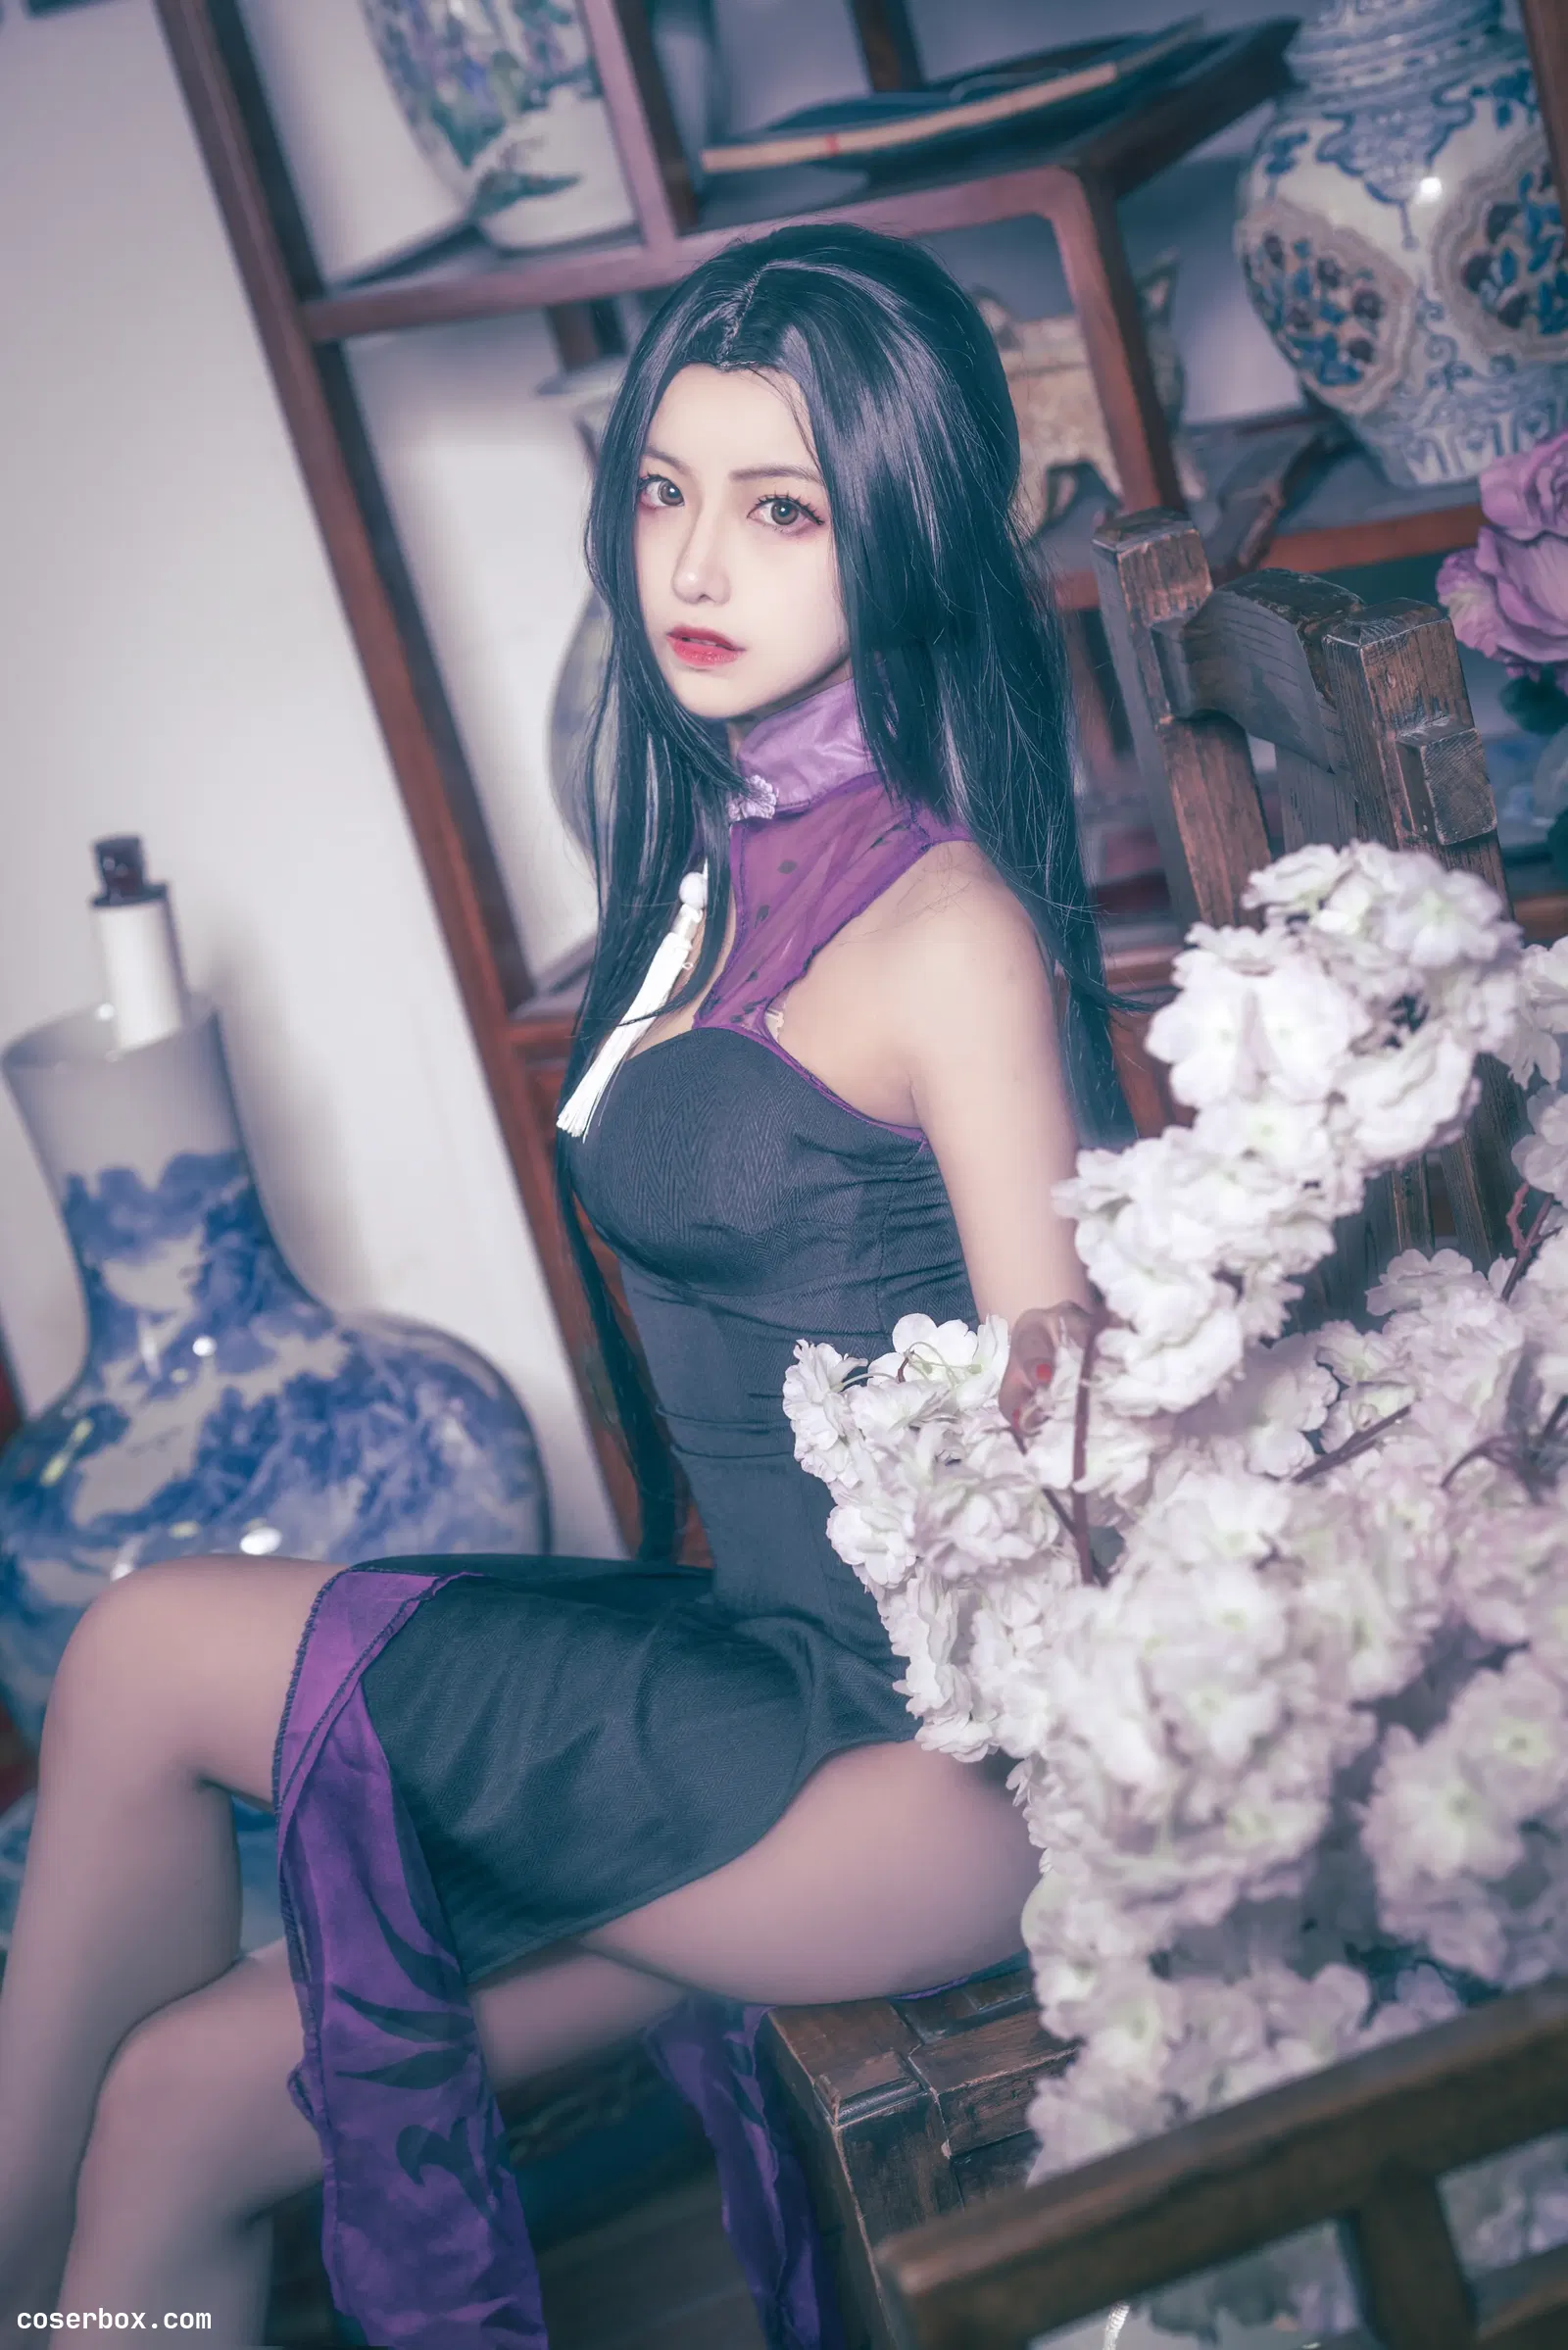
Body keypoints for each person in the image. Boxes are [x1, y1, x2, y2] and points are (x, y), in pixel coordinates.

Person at [0, 221, 1129, 2345]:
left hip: (914, 1776)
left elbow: (1071, 1442)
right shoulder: (712, 861)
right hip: (749, 1688)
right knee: (176, 2103)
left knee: (140, 1650)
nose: (692, 562)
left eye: (778, 510)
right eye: (665, 490)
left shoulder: (946, 935)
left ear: (894, 531)